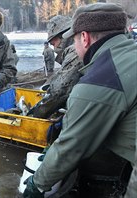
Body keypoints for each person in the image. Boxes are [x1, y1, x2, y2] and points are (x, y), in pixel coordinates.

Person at [23, 2, 137, 197]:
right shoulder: (129, 53)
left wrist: (37, 184)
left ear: (84, 38)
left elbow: (70, 148)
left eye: (74, 40)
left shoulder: (101, 79)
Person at [28, 15, 83, 118]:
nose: (55, 47)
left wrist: (34, 115)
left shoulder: (75, 52)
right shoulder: (79, 46)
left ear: (64, 36)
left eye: (54, 43)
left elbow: (60, 91)